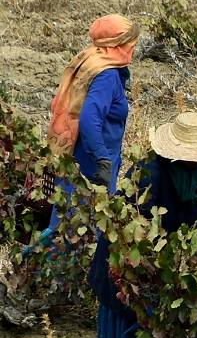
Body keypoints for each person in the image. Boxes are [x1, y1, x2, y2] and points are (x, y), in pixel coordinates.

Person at [87, 112, 197, 338]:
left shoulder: (192, 172)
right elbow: (133, 229)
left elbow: (192, 218)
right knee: (145, 316)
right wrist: (153, 268)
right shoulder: (149, 172)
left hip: (162, 260)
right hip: (129, 261)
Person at [47, 14, 140, 229]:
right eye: (130, 44)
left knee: (65, 228)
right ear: (115, 44)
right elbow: (89, 118)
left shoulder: (89, 58)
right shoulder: (107, 75)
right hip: (91, 165)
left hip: (76, 156)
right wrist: (103, 160)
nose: (133, 50)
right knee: (82, 233)